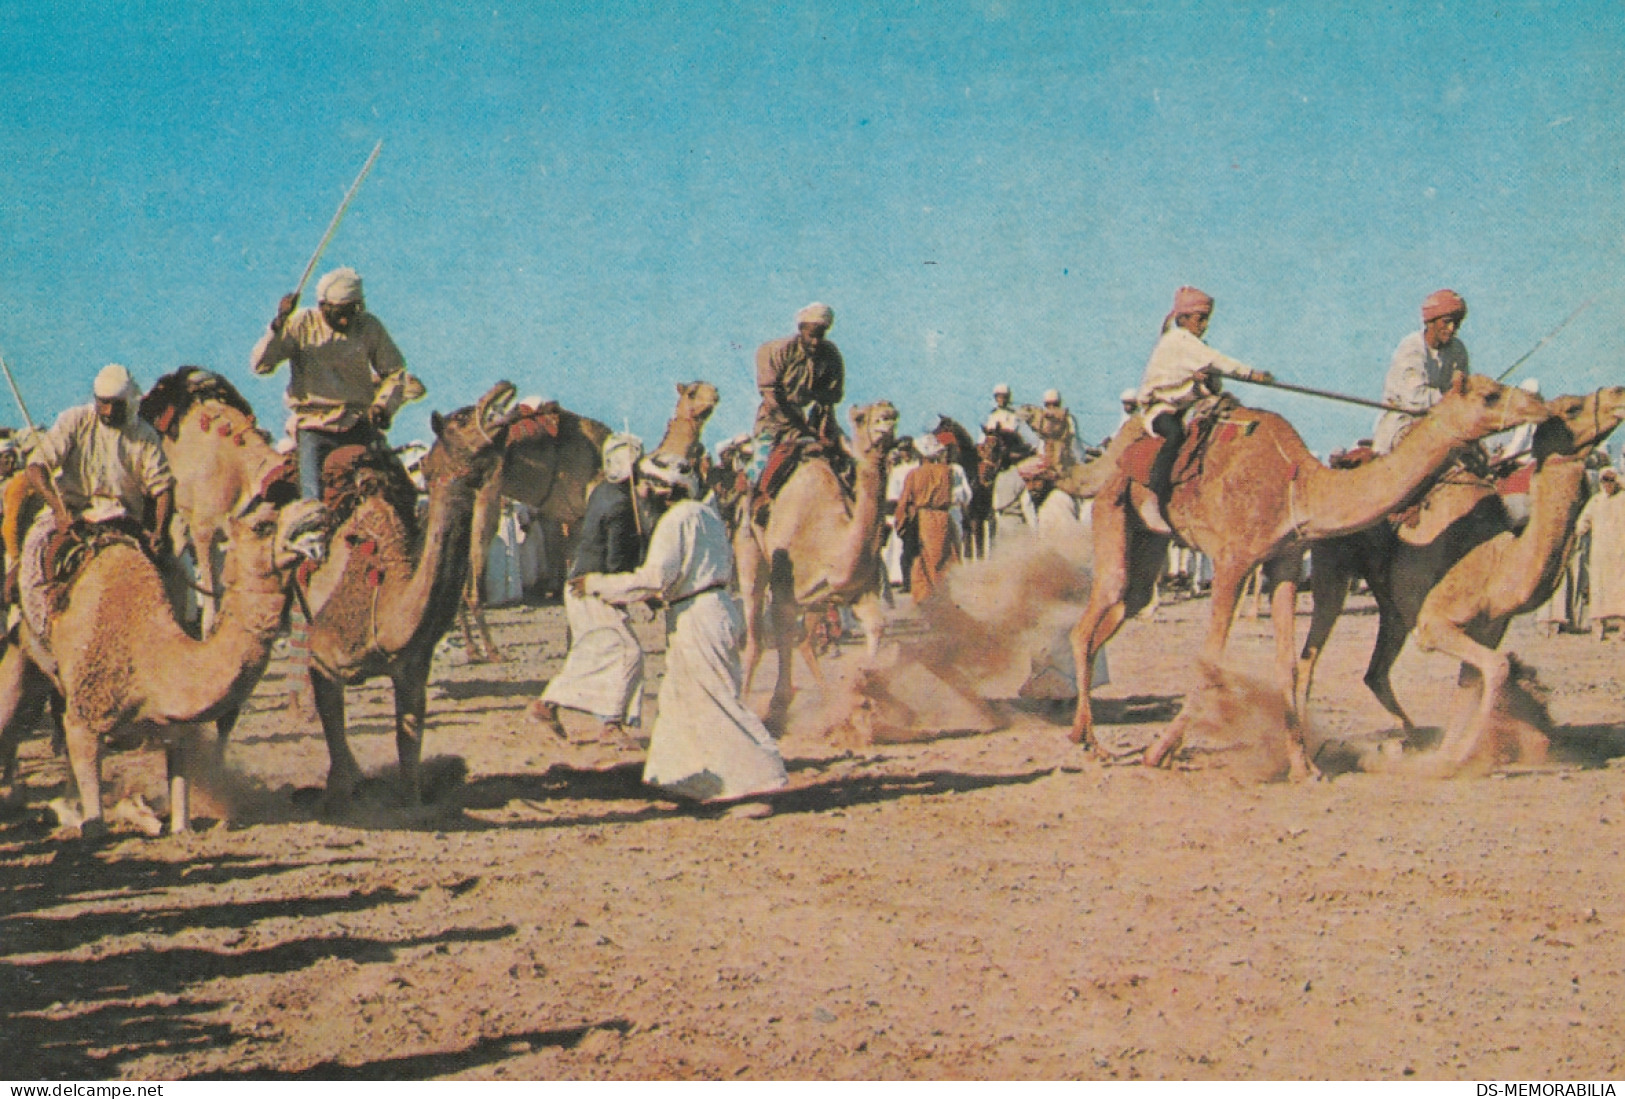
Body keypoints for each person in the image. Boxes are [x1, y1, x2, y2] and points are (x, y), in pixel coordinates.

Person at [579, 453, 787, 803]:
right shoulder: (706, 515)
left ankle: (767, 776)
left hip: (699, 617)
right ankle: (677, 780)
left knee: (717, 700)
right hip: (708, 609)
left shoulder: (677, 519)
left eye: (647, 485)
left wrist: (597, 584)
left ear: (664, 490)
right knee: (679, 702)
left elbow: (655, 578)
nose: (641, 492)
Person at [250, 266, 424, 500]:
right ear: (323, 306)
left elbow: (395, 372)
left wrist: (383, 405)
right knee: (312, 502)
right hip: (314, 426)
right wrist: (278, 324)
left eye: (351, 311)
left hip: (358, 424)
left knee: (402, 494)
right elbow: (261, 365)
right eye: (339, 312)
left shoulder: (368, 327)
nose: (345, 318)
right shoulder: (301, 324)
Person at [10, 364, 174, 604]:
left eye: (114, 405)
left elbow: (163, 488)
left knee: (177, 576)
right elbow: (37, 467)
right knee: (32, 571)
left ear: (128, 401)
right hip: (70, 514)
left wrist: (159, 532)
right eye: (102, 403)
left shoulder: (144, 435)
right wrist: (58, 508)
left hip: (123, 521)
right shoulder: (76, 420)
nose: (107, 411)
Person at [531, 434, 649, 740]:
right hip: (593, 588)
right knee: (629, 652)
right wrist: (633, 591)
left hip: (580, 584)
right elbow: (614, 562)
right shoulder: (622, 505)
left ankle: (553, 707)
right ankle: (609, 722)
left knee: (594, 653)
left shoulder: (602, 493)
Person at [1136, 286, 1273, 492]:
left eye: (1206, 319)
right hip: (1160, 411)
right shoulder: (1179, 340)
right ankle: (1156, 492)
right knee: (1175, 435)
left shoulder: (1192, 346)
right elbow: (1216, 361)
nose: (1205, 325)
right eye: (1200, 319)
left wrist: (1205, 383)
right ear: (1183, 319)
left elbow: (1199, 381)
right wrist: (1250, 373)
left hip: (1185, 409)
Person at [749, 302, 845, 520]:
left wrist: (821, 428)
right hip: (776, 422)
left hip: (814, 421)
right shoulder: (776, 351)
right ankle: (748, 515)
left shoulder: (830, 355)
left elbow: (831, 397)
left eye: (821, 335)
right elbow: (772, 397)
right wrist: (803, 429)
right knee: (759, 467)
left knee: (848, 463)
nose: (815, 341)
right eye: (811, 335)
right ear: (801, 329)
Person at [1371, 289, 1470, 454]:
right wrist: (1454, 398)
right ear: (1431, 322)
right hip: (1402, 423)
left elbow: (1463, 389)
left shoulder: (1458, 349)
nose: (1452, 328)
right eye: (1446, 322)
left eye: (1457, 323)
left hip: (1441, 423)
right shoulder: (1411, 348)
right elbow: (1415, 398)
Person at [894, 434, 957, 602]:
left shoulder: (914, 474)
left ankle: (927, 600)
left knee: (923, 562)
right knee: (946, 558)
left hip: (923, 519)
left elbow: (904, 502)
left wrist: (900, 525)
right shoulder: (947, 471)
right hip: (944, 517)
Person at [1577, 468, 1625, 639]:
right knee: (1599, 589)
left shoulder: (1622, 499)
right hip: (1599, 553)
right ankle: (1598, 627)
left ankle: (1623, 628)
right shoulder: (1595, 501)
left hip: (1620, 553)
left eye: (1611, 480)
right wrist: (1578, 532)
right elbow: (1583, 521)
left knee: (1621, 589)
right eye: (1604, 480)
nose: (1607, 484)